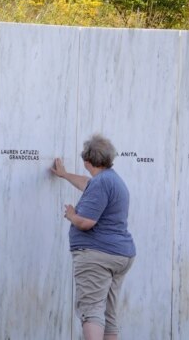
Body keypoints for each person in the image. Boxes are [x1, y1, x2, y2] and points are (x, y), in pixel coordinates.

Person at [50, 134, 135, 340]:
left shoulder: (101, 183)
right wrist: (65, 174)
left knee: (91, 310)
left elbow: (87, 222)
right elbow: (86, 184)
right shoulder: (112, 180)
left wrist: (71, 215)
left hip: (97, 256)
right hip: (120, 255)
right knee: (108, 313)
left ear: (87, 161)